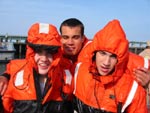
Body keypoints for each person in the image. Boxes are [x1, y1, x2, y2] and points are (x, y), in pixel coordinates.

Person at [73, 19, 148, 113]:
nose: (106, 62)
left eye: (113, 56)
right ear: (94, 54)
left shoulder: (132, 88)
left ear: (120, 59)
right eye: (103, 54)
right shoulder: (79, 72)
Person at [1, 22, 74, 113]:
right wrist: (5, 76)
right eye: (39, 52)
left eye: (49, 53)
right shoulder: (14, 73)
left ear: (56, 55)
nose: (44, 59)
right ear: (31, 53)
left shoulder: (68, 74)